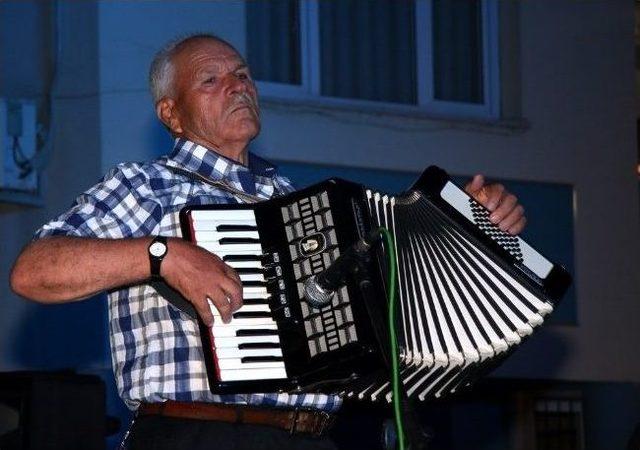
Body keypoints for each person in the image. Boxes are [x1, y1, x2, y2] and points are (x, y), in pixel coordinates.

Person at [9, 34, 526, 450]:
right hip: (197, 435)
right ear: (172, 114)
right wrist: (161, 254)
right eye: (211, 79)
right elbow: (33, 271)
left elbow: (388, 321)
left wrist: (470, 226)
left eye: (243, 75)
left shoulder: (303, 204)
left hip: (314, 437)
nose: (237, 86)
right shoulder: (146, 186)